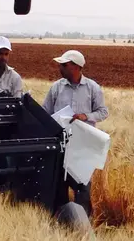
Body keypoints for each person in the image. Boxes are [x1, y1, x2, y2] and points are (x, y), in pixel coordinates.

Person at [42, 49, 109, 216]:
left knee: (82, 188)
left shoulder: (92, 88)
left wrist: (85, 116)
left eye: (64, 65)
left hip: (82, 147)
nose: (60, 68)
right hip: (59, 146)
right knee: (58, 186)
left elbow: (103, 112)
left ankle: (84, 224)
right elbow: (45, 112)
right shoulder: (56, 87)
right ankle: (61, 220)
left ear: (76, 67)